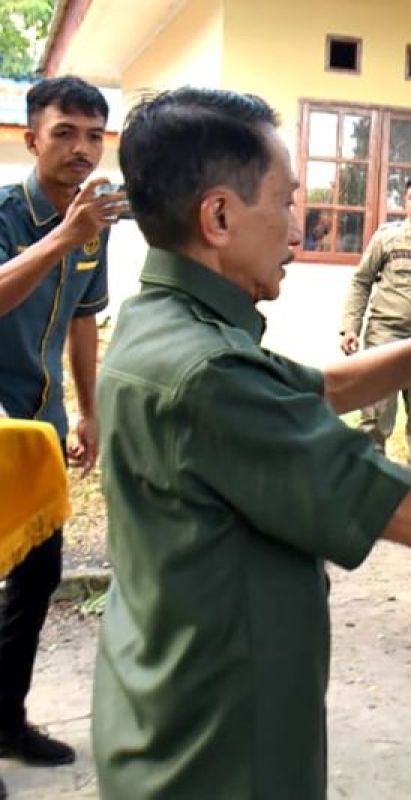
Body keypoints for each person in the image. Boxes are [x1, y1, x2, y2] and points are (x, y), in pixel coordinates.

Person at [91, 89, 411, 799]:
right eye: (287, 202)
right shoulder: (210, 374)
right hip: (221, 748)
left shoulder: (164, 325)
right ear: (220, 216)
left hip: (161, 702)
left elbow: (311, 391)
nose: (297, 230)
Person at [0, 76, 126, 769]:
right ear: (31, 139)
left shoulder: (92, 224)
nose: (82, 148)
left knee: (37, 575)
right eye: (65, 132)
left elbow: (84, 319)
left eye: (93, 134)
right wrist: (63, 238)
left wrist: (89, 411)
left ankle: (6, 719)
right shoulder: (5, 215)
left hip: (41, 428)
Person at [339, 173, 411, 463]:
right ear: (404, 202)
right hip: (386, 336)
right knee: (376, 416)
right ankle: (369, 489)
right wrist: (350, 328)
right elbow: (361, 282)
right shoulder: (388, 238)